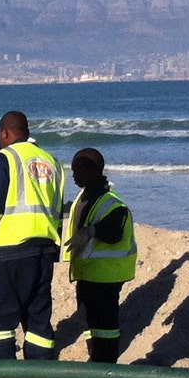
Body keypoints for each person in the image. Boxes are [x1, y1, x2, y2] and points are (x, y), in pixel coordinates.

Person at [0, 111, 64, 368]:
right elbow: (57, 210)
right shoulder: (52, 162)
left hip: (8, 251)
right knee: (38, 319)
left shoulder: (4, 159)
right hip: (43, 251)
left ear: (5, 133)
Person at [62, 148, 135, 363]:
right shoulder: (84, 196)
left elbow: (114, 233)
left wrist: (92, 231)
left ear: (93, 171)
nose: (73, 175)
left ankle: (106, 366)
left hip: (106, 275)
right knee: (90, 322)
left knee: (105, 326)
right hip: (88, 273)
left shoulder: (111, 203)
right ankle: (95, 360)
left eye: (78, 170)